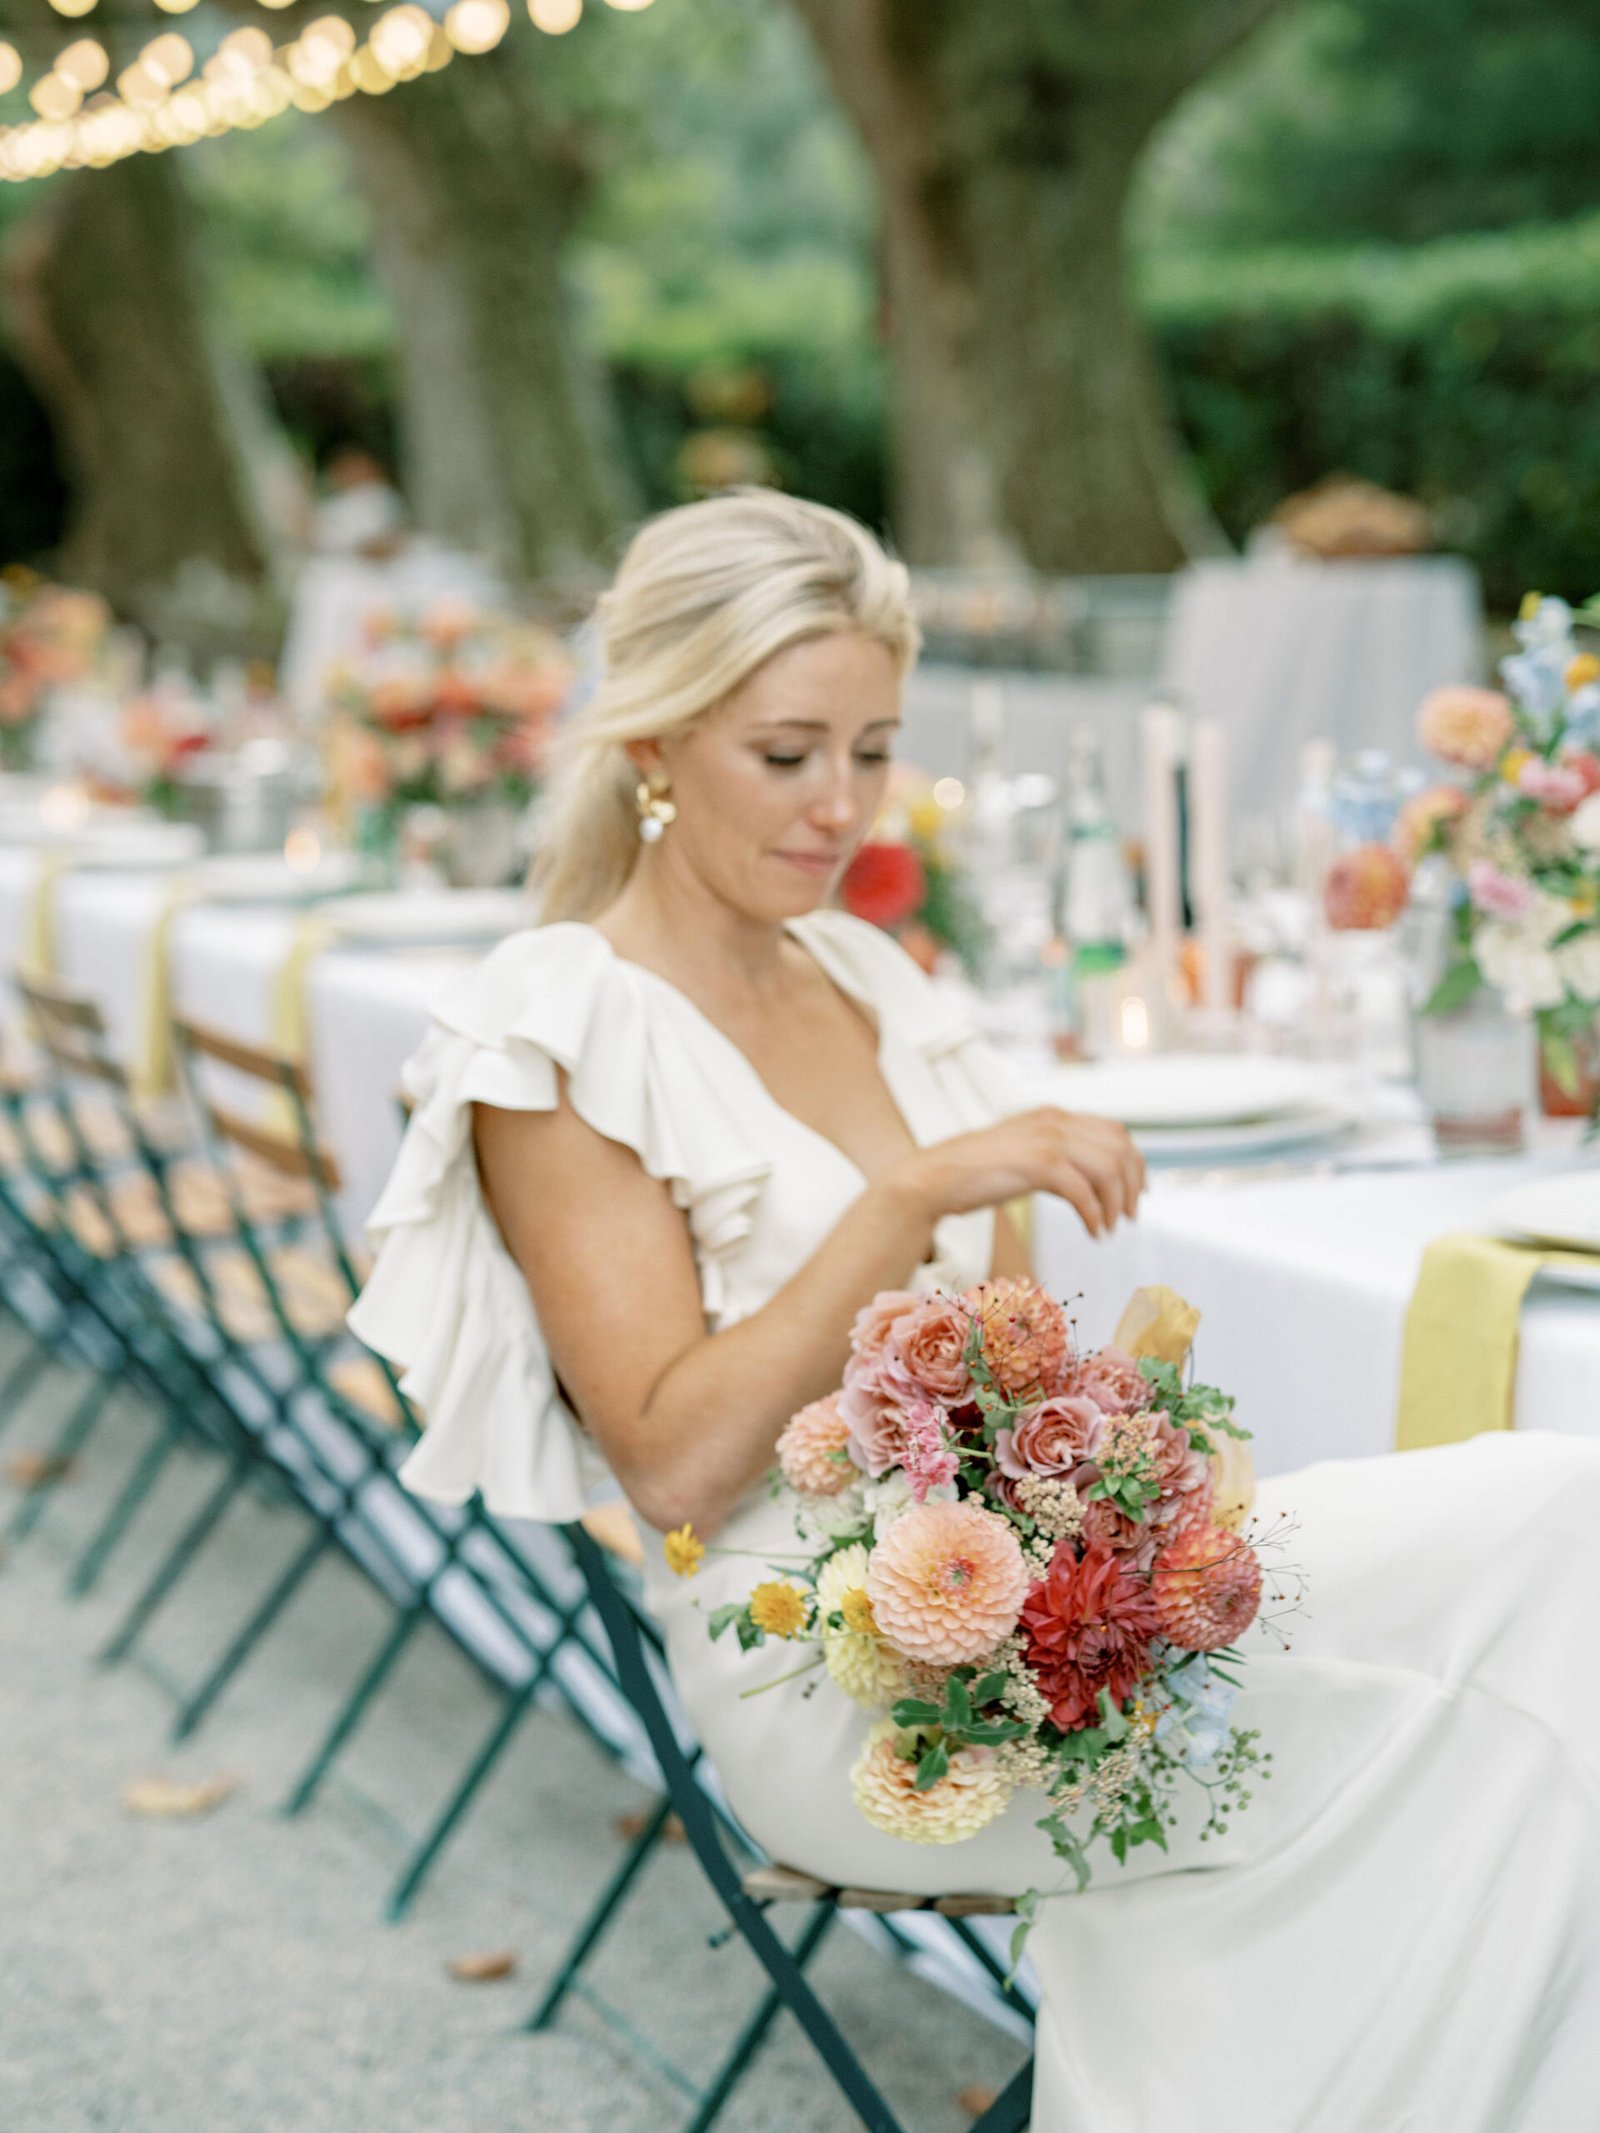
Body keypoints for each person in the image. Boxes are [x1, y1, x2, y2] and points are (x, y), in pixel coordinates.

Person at [350, 490, 1600, 2132]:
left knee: (1555, 1528)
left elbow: (1005, 1355)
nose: (842, 806)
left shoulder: (865, 976)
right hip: (829, 1670)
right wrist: (903, 1199)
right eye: (787, 753)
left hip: (1043, 1588)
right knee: (1461, 1749)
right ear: (655, 739)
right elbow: (669, 1459)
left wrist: (1123, 1493)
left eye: (872, 750)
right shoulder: (561, 1023)